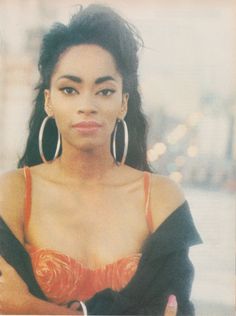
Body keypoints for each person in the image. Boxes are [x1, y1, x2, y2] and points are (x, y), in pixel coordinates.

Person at [0, 4, 202, 315]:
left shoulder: (161, 198)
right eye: (69, 89)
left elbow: (176, 309)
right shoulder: (13, 193)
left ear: (123, 103)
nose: (87, 105)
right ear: (49, 101)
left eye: (104, 91)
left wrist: (28, 306)